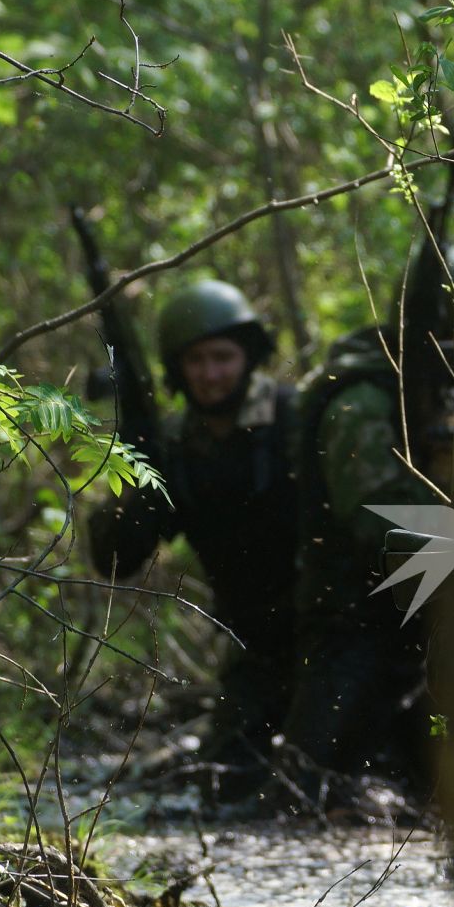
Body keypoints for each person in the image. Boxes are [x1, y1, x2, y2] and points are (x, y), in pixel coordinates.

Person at [279, 242, 454, 819]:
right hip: (356, 628)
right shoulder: (363, 398)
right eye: (448, 328)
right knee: (308, 794)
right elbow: (378, 520)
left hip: (453, 632)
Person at [88, 280, 297, 801]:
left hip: (327, 635)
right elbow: (116, 560)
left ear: (248, 356)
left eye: (223, 357)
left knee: (321, 780)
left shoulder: (295, 420)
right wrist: (137, 467)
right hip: (256, 653)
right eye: (196, 360)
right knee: (227, 787)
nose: (210, 375)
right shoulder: (176, 448)